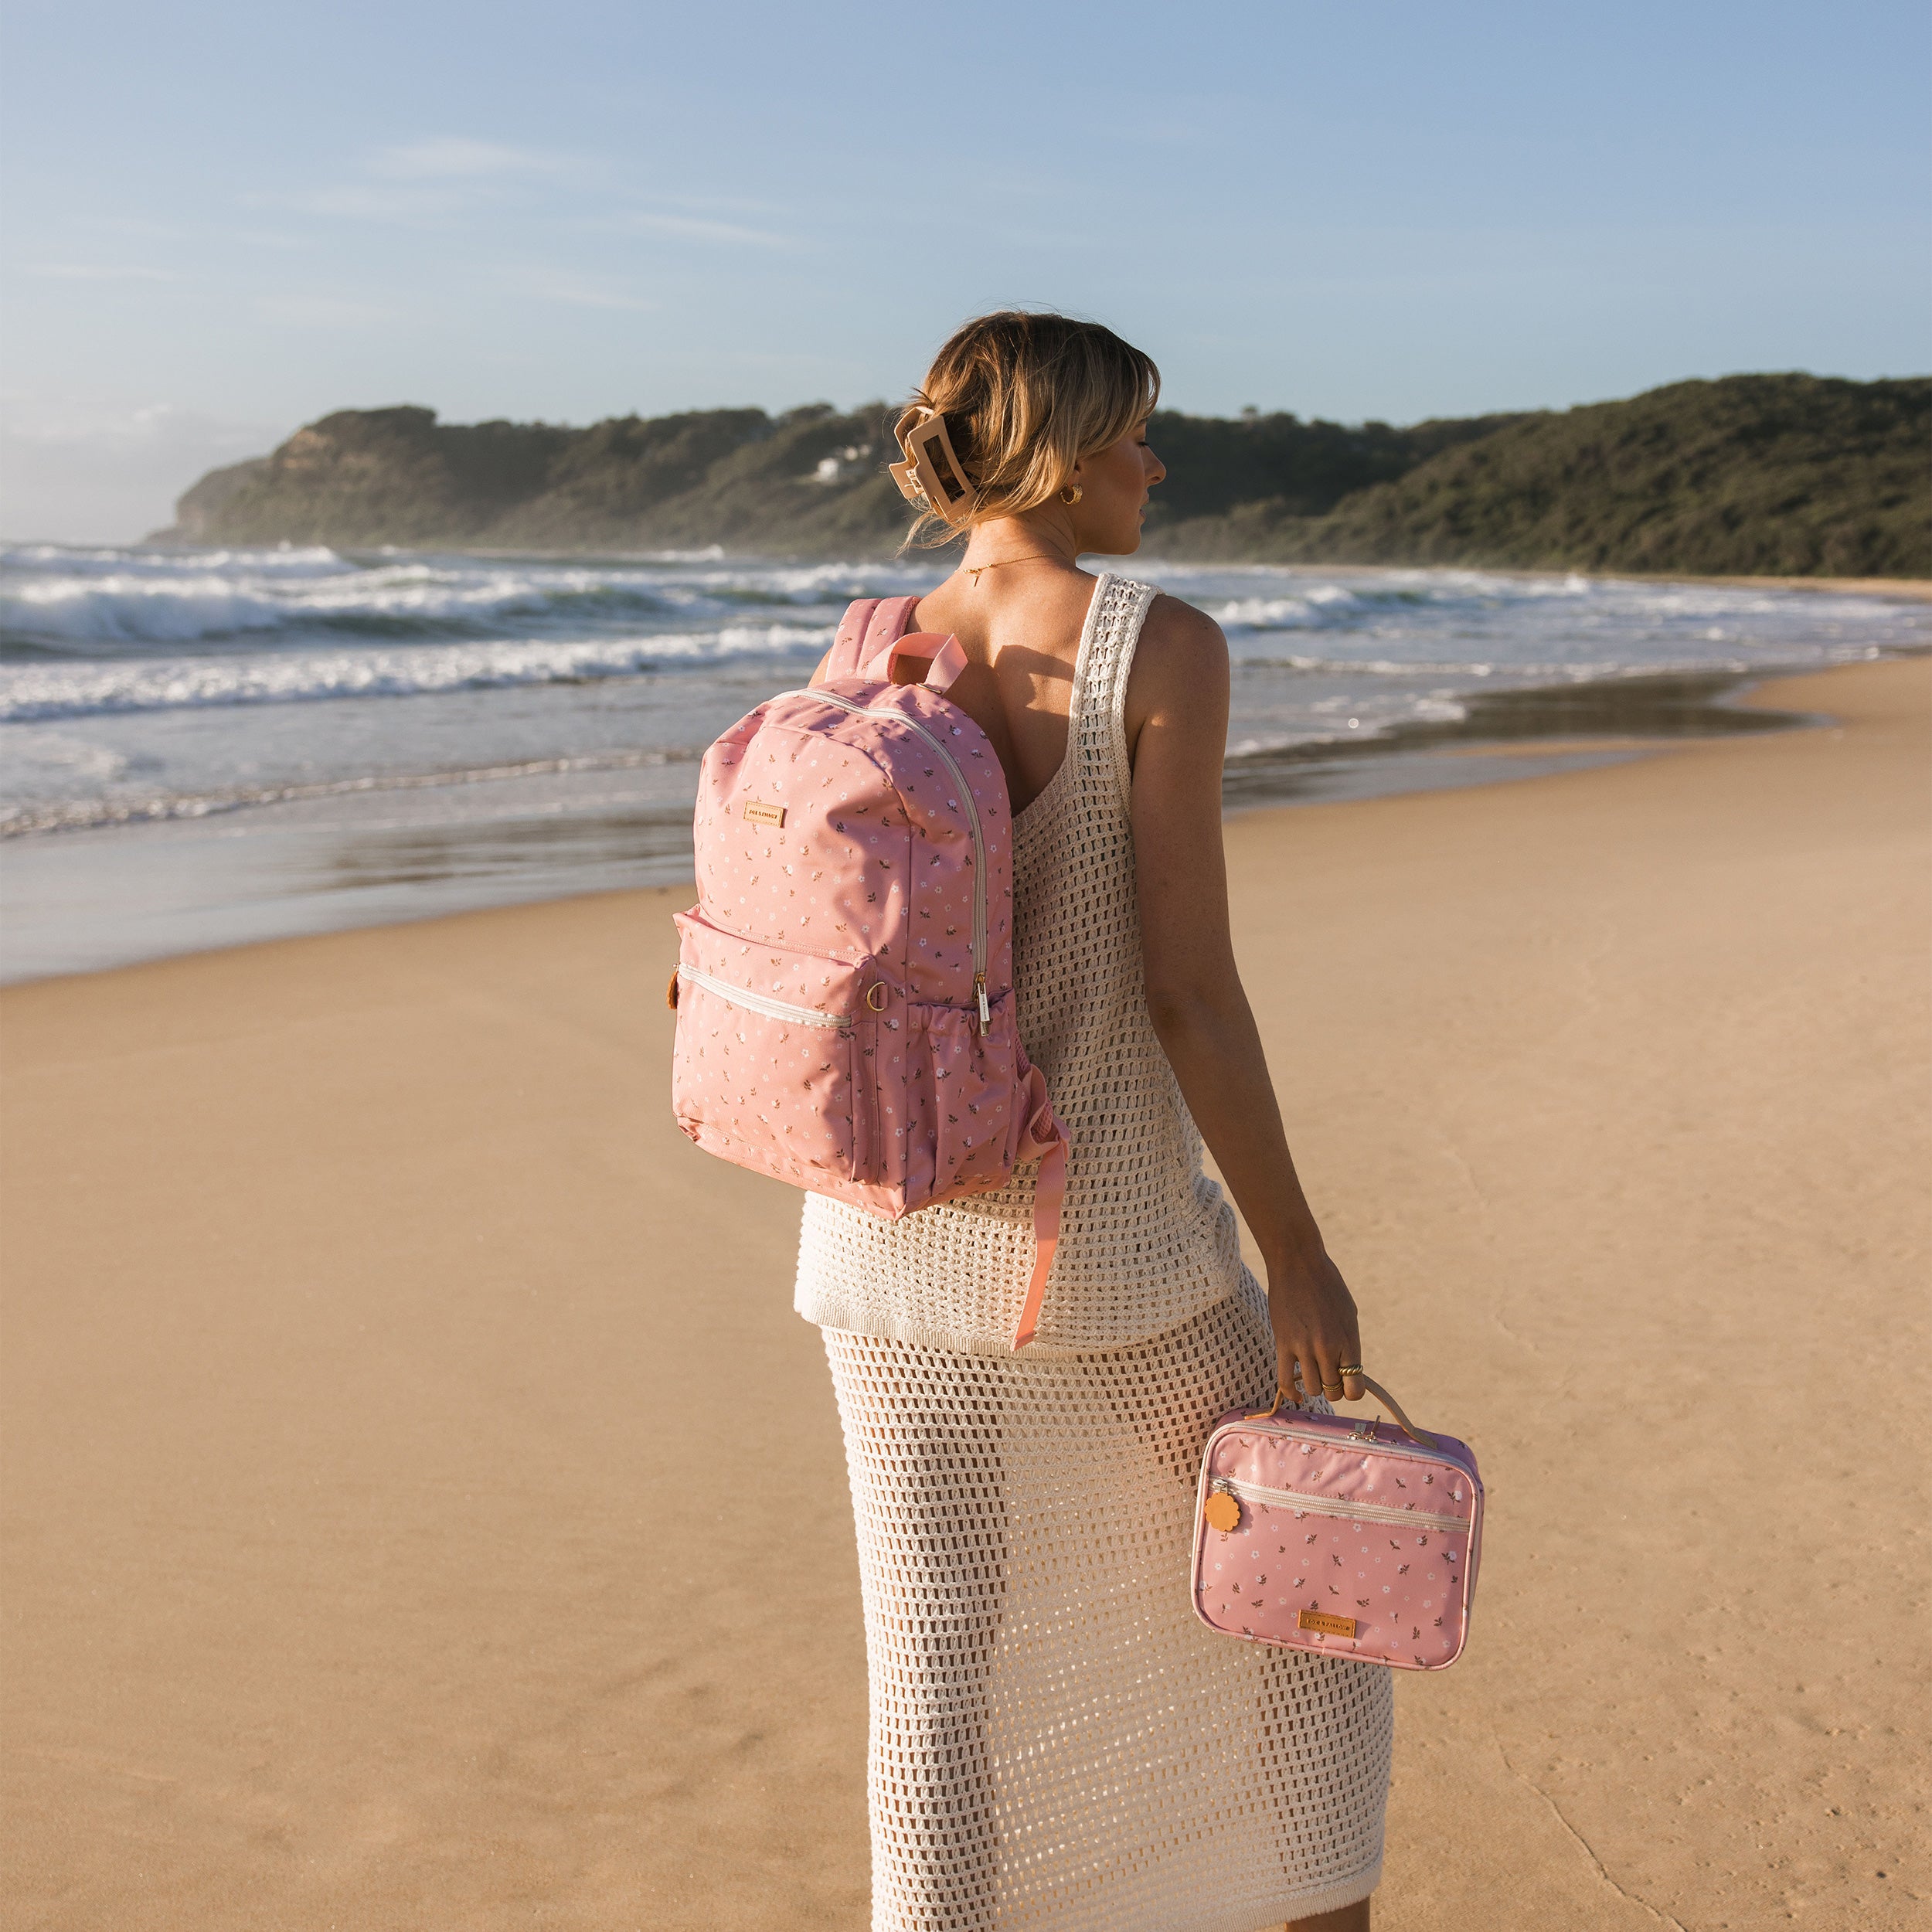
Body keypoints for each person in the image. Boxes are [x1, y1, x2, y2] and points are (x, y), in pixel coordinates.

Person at [796, 311, 1389, 1931]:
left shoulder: (862, 643)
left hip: (882, 1249)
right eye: (1135, 430)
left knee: (935, 1670)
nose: (1154, 459)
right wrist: (1296, 1253)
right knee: (1305, 1597)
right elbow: (1188, 989)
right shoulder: (1154, 643)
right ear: (1060, 451)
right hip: (1107, 1247)